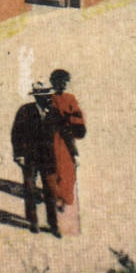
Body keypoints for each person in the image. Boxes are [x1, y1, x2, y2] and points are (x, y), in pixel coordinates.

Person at [10, 82, 60, 237]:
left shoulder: (54, 112)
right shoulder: (25, 111)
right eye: (46, 96)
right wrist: (18, 154)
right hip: (30, 158)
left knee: (51, 191)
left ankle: (53, 224)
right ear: (38, 97)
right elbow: (16, 133)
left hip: (49, 158)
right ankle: (33, 221)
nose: (50, 98)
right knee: (30, 189)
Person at [46, 69, 87, 236]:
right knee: (56, 169)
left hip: (66, 139)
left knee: (67, 169)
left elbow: (78, 121)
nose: (62, 85)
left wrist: (69, 122)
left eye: (64, 82)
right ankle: (58, 198)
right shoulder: (50, 99)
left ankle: (65, 198)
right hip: (53, 139)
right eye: (59, 82)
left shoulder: (70, 99)